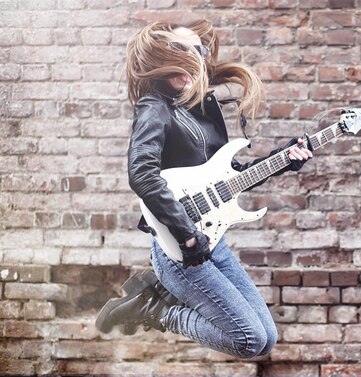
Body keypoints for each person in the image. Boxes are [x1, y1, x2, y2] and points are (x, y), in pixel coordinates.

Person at [95, 20, 312, 359]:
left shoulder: (204, 110)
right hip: (181, 250)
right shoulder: (155, 107)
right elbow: (142, 174)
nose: (192, 59)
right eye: (179, 50)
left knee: (267, 338)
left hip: (213, 242)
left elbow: (226, 179)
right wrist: (187, 237)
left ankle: (160, 299)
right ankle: (158, 311)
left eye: (198, 51)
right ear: (160, 58)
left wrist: (282, 159)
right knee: (248, 340)